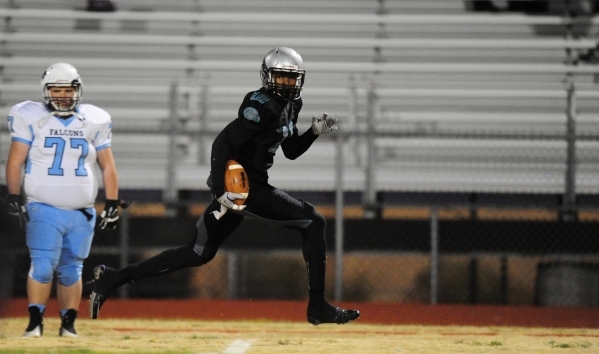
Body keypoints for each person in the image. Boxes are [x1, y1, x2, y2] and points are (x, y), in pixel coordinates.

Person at [89, 47, 360, 325]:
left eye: (292, 78)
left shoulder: (293, 104)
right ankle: (317, 308)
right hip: (243, 187)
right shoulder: (260, 104)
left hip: (245, 186)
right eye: (281, 77)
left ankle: (113, 278)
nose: (288, 84)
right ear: (268, 76)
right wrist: (221, 188)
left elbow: (290, 150)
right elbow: (224, 142)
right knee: (313, 222)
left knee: (196, 253)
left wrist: (313, 133)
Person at [6, 62, 125, 338]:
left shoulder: (94, 119)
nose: (62, 95)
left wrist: (111, 203)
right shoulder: (30, 115)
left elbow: (108, 166)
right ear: (46, 91)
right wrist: (14, 196)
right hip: (43, 205)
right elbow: (15, 162)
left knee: (72, 270)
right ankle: (35, 321)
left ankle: (68, 324)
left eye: (68, 89)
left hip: (81, 211)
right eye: (56, 89)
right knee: (44, 265)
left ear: (77, 90)